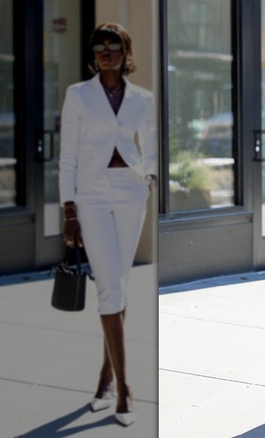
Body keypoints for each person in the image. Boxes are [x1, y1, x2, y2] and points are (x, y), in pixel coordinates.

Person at [58, 22, 157, 427]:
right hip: (92, 194)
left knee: (119, 285)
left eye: (112, 45)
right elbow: (67, 155)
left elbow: (149, 146)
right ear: (93, 53)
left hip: (131, 192)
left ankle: (104, 378)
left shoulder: (142, 99)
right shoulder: (78, 95)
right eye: (99, 45)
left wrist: (147, 179)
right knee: (109, 285)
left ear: (124, 50)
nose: (105, 51)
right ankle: (124, 386)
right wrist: (69, 209)